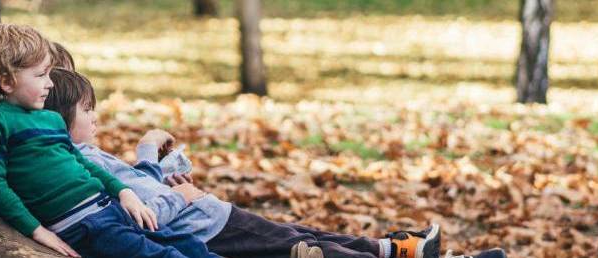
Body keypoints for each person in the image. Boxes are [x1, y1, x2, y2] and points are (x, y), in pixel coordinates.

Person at [42, 67, 441, 258]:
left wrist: (164, 171)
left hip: (209, 216)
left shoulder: (78, 157)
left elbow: (142, 190)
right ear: (60, 117)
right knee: (301, 249)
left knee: (300, 233)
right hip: (206, 226)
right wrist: (170, 181)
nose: (95, 117)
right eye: (87, 109)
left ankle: (398, 248)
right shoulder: (80, 161)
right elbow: (147, 209)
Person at [0, 24, 216, 258]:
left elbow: (83, 163)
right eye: (41, 75)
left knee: (189, 246)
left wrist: (124, 191)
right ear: (7, 82)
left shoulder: (51, 119)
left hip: (112, 207)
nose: (50, 83)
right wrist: (37, 231)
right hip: (83, 225)